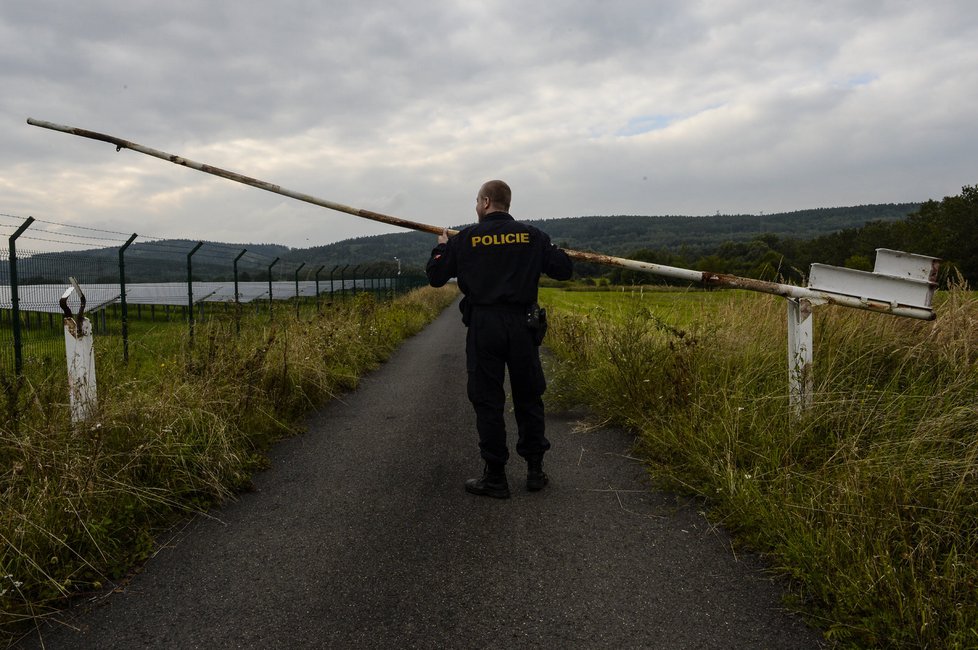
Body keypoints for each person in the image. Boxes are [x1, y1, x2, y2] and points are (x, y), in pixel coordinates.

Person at [426, 180, 573, 498]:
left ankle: (495, 477)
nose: (476, 206)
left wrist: (442, 245)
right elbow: (563, 269)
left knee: (487, 400)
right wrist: (550, 250)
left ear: (487, 201)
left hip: (485, 325)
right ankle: (535, 471)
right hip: (523, 324)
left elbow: (436, 276)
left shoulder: (464, 238)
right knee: (528, 397)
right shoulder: (532, 236)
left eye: (477, 200)